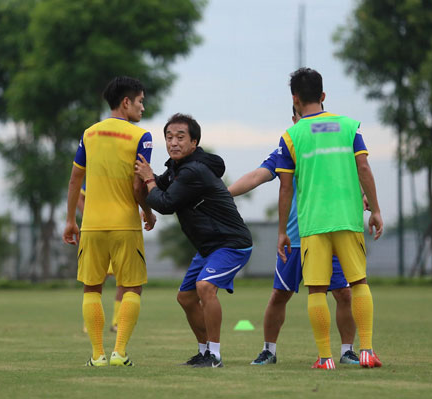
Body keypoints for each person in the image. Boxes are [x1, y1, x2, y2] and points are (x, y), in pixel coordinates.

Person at [228, 107, 364, 366]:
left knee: (343, 294)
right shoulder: (290, 146)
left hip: (331, 232)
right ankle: (269, 350)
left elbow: (354, 173)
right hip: (295, 237)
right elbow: (258, 175)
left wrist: (364, 194)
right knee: (281, 294)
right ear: (295, 120)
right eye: (303, 118)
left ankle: (347, 350)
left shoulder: (335, 145)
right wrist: (223, 194)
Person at [275, 68, 383, 369]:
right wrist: (374, 209)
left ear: (295, 100)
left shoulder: (291, 136)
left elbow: (285, 187)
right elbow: (363, 168)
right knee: (359, 283)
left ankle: (325, 358)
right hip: (348, 219)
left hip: (313, 224)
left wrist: (283, 231)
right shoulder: (349, 126)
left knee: (317, 290)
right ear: (323, 96)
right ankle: (366, 351)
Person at [134, 113, 253, 368]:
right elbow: (156, 187)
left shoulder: (193, 171)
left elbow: (164, 203)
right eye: (169, 137)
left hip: (232, 243)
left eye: (180, 137)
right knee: (186, 297)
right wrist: (143, 176)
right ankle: (204, 351)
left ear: (194, 142)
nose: (173, 142)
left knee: (205, 287)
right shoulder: (177, 168)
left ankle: (215, 356)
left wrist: (148, 178)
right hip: (209, 247)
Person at [63, 76, 156, 367]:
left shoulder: (89, 134)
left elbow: (75, 180)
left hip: (91, 225)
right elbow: (138, 186)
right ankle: (119, 352)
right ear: (126, 102)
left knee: (92, 288)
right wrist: (148, 211)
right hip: (125, 225)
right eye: (140, 101)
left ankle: (97, 355)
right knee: (132, 288)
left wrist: (70, 221)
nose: (143, 107)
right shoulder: (142, 136)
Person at [77, 183, 122, 334]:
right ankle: (90, 322)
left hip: (121, 231)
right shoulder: (95, 174)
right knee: (95, 280)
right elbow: (79, 197)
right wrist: (89, 216)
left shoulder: (123, 172)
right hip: (98, 233)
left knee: (124, 281)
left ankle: (117, 323)